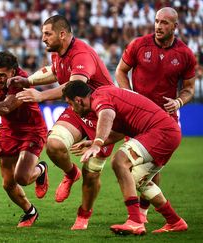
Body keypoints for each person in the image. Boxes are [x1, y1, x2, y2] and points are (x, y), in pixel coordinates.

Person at [7, 15, 114, 230]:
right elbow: (54, 72)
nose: (43, 38)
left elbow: (73, 86)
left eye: (47, 34)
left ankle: (83, 215)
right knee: (54, 145)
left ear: (62, 34)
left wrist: (40, 95)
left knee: (91, 173)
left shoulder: (81, 54)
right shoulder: (58, 53)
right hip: (78, 109)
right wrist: (28, 80)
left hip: (102, 113)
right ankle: (70, 173)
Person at [63, 80, 188, 235]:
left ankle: (135, 221)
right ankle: (175, 221)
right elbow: (120, 132)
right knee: (138, 179)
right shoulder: (106, 95)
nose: (71, 108)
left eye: (70, 103)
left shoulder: (100, 97)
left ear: (78, 100)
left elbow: (106, 116)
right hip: (167, 133)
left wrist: (97, 143)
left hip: (160, 131)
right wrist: (94, 142)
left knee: (119, 161)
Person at [115, 7, 196, 221]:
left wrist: (179, 101)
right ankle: (142, 214)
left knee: (150, 167)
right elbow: (121, 71)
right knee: (131, 166)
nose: (159, 26)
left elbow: (189, 88)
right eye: (157, 21)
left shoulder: (185, 54)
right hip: (136, 117)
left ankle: (142, 213)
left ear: (175, 27)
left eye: (165, 23)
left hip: (164, 119)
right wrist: (129, 95)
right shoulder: (139, 45)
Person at [0, 51, 48, 227]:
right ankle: (30, 211)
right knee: (8, 184)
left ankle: (41, 169)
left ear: (13, 72)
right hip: (8, 131)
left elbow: (7, 107)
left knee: (22, 178)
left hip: (31, 130)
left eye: (2, 75)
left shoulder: (22, 80)